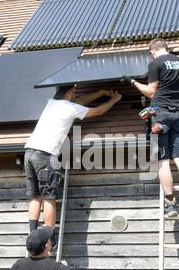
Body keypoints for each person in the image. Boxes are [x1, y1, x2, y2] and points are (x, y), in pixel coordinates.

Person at [24, 86, 122, 245]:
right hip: (45, 155)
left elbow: (80, 101)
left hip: (29, 152)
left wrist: (100, 91)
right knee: (49, 197)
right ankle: (49, 239)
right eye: (74, 92)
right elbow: (97, 112)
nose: (76, 95)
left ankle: (32, 235)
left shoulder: (52, 103)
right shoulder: (70, 108)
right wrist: (113, 99)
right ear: (69, 93)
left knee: (35, 196)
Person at [124, 38, 179, 217]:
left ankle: (170, 205)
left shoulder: (155, 63)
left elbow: (151, 92)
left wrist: (132, 81)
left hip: (160, 115)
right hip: (178, 115)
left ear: (152, 52)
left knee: (163, 160)